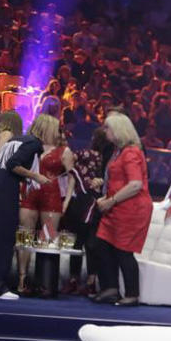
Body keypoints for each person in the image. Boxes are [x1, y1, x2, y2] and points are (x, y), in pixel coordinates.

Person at [91, 112, 151, 306]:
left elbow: (135, 184)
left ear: (118, 130)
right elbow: (119, 181)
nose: (104, 131)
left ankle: (132, 294)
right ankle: (110, 288)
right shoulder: (119, 151)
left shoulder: (131, 152)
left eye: (108, 127)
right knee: (101, 244)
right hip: (117, 206)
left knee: (124, 250)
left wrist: (111, 200)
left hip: (131, 208)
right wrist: (107, 197)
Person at [15, 115, 71, 295]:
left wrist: (66, 201)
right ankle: (22, 280)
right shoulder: (30, 146)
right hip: (29, 194)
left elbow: (72, 177)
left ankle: (45, 283)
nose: (57, 131)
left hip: (52, 197)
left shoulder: (64, 151)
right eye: (55, 127)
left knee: (47, 240)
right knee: (25, 237)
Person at [0, 111, 50, 301]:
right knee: (5, 238)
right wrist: (35, 176)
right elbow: (11, 164)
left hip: (3, 187)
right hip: (4, 191)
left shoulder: (17, 140)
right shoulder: (29, 142)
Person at [60, 125, 114, 296]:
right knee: (89, 244)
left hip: (87, 202)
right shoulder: (103, 157)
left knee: (82, 243)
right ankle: (88, 282)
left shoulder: (90, 154)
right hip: (94, 202)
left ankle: (76, 280)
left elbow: (68, 160)